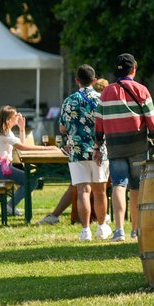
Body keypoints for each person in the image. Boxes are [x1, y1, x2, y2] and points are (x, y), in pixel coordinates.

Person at [94, 54, 154, 241]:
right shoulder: (141, 90)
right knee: (137, 188)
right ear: (134, 69)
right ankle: (135, 230)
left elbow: (98, 122)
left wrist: (97, 146)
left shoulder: (106, 92)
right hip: (138, 146)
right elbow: (152, 121)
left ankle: (119, 230)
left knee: (118, 184)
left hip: (115, 146)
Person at [47, 67, 109, 240]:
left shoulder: (69, 101)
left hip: (76, 150)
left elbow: (62, 127)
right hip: (99, 150)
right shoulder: (101, 99)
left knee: (82, 190)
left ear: (77, 80)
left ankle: (85, 230)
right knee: (100, 191)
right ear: (94, 80)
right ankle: (102, 227)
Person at [0, 106, 48, 216]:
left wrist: (22, 129)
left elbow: (22, 144)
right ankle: (10, 206)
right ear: (8, 120)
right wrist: (46, 148)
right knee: (32, 181)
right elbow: (22, 147)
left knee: (31, 180)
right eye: (15, 115)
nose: (18, 116)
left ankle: (10, 205)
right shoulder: (3, 132)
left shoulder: (5, 131)